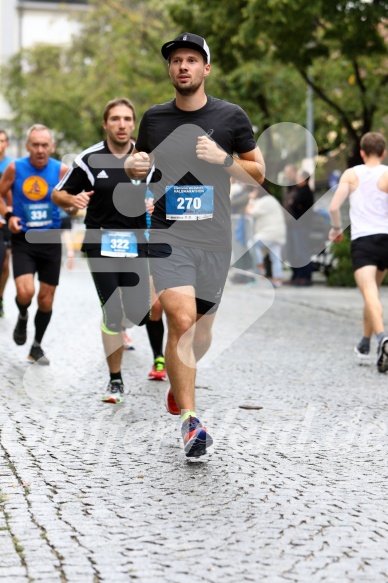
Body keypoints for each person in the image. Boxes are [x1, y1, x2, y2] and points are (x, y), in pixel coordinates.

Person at [124, 32, 265, 457]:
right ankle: (191, 421)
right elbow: (139, 164)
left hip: (215, 241)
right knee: (180, 321)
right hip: (169, 237)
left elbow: (258, 172)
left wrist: (222, 159)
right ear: (170, 70)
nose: (182, 66)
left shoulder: (231, 117)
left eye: (191, 60)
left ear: (206, 68)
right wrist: (134, 167)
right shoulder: (154, 118)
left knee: (200, 335)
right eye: (176, 61)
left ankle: (180, 381)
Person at [52, 98, 165, 403]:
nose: (121, 124)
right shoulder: (89, 160)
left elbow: (164, 192)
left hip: (137, 243)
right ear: (105, 124)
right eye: (115, 119)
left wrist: (155, 203)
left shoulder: (147, 160)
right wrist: (71, 201)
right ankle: (115, 380)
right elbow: (57, 193)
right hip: (100, 242)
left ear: (133, 124)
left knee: (143, 312)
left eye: (127, 119)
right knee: (113, 312)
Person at [0, 124, 68, 364]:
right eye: (35, 145)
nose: (40, 150)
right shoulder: (15, 168)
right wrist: (9, 216)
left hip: (50, 240)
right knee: (26, 292)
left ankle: (37, 345)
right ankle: (21, 314)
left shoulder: (61, 170)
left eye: (44, 145)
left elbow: (74, 198)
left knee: (46, 299)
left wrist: (72, 204)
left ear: (52, 146)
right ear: (28, 146)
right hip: (24, 239)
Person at [329, 131, 388, 373]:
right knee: (371, 292)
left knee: (370, 292)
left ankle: (383, 338)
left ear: (362, 153)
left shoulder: (351, 174)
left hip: (364, 241)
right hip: (386, 239)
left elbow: (334, 206)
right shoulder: (387, 173)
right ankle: (365, 343)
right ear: (383, 152)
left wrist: (336, 229)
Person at [245, 186, 286, 287]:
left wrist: (249, 199)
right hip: (278, 233)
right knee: (276, 257)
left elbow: (249, 212)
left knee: (252, 244)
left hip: (269, 233)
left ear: (258, 191)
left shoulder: (264, 201)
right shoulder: (271, 200)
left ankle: (260, 267)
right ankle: (277, 280)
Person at [283, 168, 314, 286]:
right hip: (292, 226)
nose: (297, 179)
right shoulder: (294, 189)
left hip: (301, 227)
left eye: (299, 177)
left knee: (302, 251)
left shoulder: (306, 191)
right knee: (292, 252)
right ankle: (296, 275)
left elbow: (294, 203)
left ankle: (305, 277)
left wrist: (291, 202)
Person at [0, 129, 14, 317]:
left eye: (2, 140)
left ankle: (0, 297)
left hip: (7, 220)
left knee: (4, 263)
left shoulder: (12, 165)